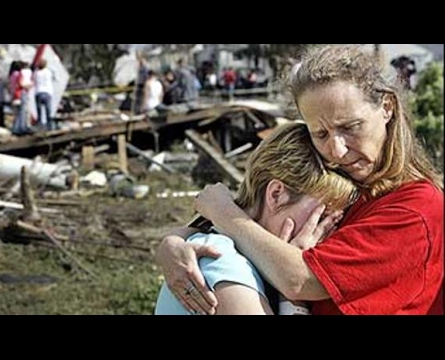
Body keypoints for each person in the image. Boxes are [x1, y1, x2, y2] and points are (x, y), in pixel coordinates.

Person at [155, 44, 444, 315]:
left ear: (387, 107)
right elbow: (260, 206)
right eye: (320, 133)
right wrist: (173, 241)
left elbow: (298, 278)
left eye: (351, 126)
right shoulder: (349, 177)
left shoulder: (416, 207)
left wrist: (222, 212)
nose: (337, 149)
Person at [155, 122, 357, 315]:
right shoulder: (222, 261)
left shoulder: (244, 259)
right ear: (276, 194)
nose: (326, 232)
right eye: (321, 216)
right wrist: (293, 299)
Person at [33, 58, 56, 131]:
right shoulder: (48, 72)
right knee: (48, 111)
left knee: (39, 112)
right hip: (47, 92)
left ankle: (40, 127)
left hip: (38, 92)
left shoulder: (36, 73)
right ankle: (50, 127)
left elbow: (33, 80)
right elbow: (54, 78)